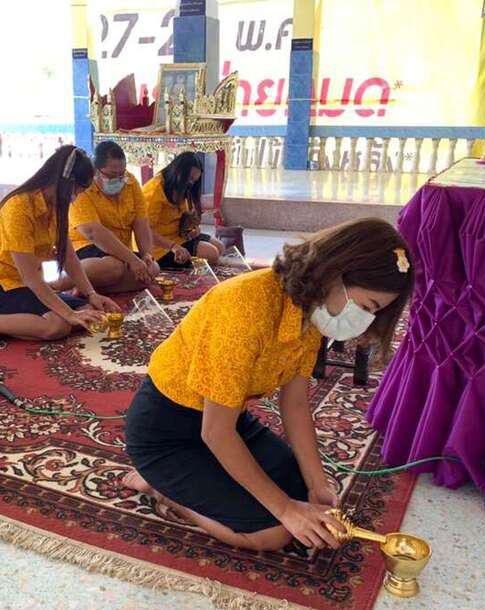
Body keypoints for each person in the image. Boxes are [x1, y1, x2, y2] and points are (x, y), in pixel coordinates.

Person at [124, 219, 413, 552]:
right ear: (336, 272)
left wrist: (317, 484)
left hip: (228, 421)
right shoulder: (245, 307)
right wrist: (286, 510)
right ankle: (163, 490)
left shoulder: (311, 309)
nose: (365, 320)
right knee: (273, 533)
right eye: (366, 307)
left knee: (300, 489)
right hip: (166, 433)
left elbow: (296, 404)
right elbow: (215, 433)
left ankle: (191, 482)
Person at [0, 145, 118, 345]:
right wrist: (69, 314)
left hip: (27, 287)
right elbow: (30, 277)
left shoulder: (54, 206)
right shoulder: (18, 208)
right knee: (57, 325)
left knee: (89, 312)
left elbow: (69, 257)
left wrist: (91, 294)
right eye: (77, 190)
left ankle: (0, 327)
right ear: (64, 182)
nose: (76, 197)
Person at [56, 141, 159, 295]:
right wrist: (132, 260)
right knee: (113, 268)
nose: (118, 179)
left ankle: (87, 288)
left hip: (121, 251)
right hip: (87, 247)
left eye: (122, 174)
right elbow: (93, 232)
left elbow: (141, 224)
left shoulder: (130, 181)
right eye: (112, 175)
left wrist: (146, 256)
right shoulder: (83, 187)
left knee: (152, 270)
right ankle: (55, 286)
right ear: (95, 171)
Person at [143, 152, 224, 270]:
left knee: (220, 247)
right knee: (212, 253)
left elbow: (182, 218)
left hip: (178, 238)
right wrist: (173, 246)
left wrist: (191, 230)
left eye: (194, 180)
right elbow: (144, 232)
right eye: (190, 179)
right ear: (178, 173)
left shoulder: (180, 185)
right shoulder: (155, 190)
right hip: (158, 248)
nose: (191, 183)